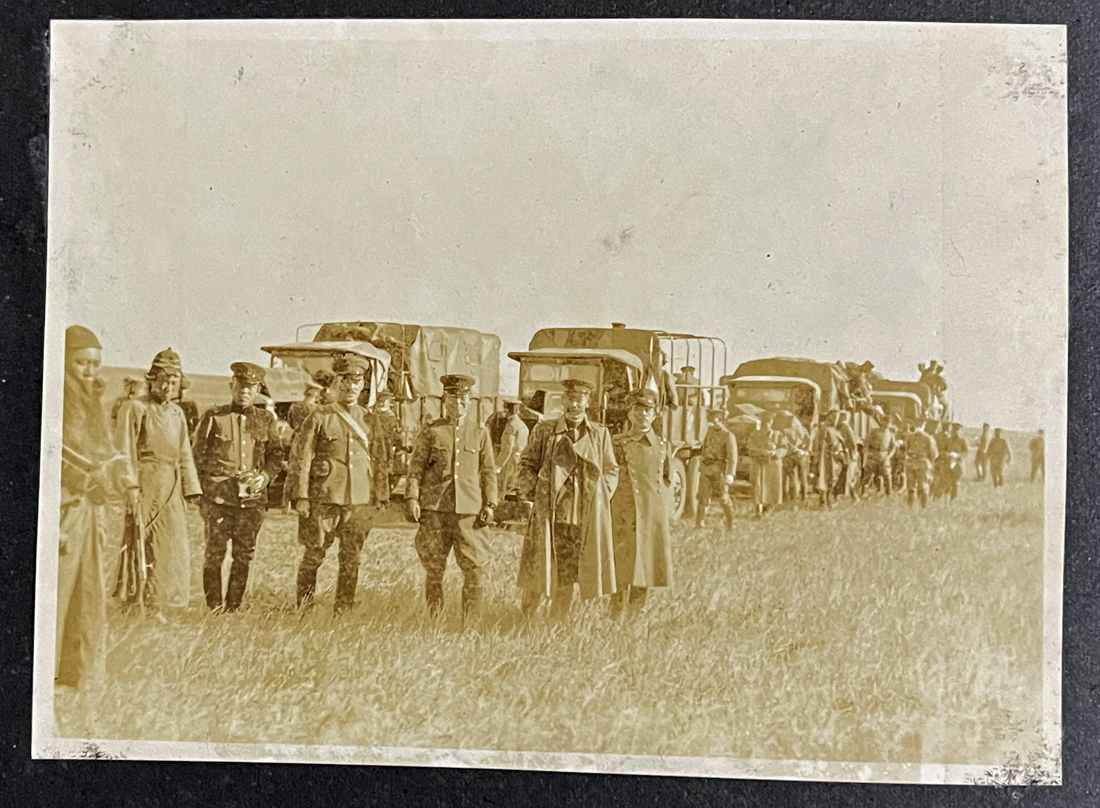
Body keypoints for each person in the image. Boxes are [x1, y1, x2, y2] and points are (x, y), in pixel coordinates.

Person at [57, 326, 139, 689]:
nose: (89, 370)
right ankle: (45, 671)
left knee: (88, 590)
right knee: (57, 588)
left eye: (95, 363)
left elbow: (103, 448)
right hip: (61, 505)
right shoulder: (53, 395)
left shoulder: (91, 397)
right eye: (81, 362)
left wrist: (123, 480)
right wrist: (80, 480)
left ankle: (80, 675)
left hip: (89, 507)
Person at [286, 353, 381, 614]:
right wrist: (302, 496)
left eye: (356, 381)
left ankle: (343, 610)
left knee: (351, 559)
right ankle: (303, 610)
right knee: (314, 555)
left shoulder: (369, 420)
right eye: (345, 380)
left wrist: (378, 497)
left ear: (363, 385)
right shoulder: (319, 417)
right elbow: (301, 458)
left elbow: (380, 460)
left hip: (357, 500)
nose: (350, 387)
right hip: (324, 497)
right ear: (336, 383)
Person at [516, 378, 619, 618]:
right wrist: (534, 493)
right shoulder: (545, 430)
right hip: (550, 514)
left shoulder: (599, 434)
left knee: (568, 574)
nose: (574, 404)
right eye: (569, 398)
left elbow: (611, 470)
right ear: (563, 400)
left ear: (588, 401)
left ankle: (556, 623)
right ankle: (526, 619)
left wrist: (600, 496)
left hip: (581, 517)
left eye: (579, 398)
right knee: (539, 570)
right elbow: (526, 464)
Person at [115, 348, 201, 616]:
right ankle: (138, 602)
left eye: (173, 382)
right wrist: (130, 486)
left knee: (171, 543)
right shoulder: (135, 408)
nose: (167, 386)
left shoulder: (177, 414)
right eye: (162, 380)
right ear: (151, 380)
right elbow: (124, 450)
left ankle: (165, 603)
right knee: (143, 540)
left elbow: (184, 452)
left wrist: (192, 488)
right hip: (145, 483)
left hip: (171, 486)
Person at [192, 363, 284, 613]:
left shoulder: (265, 419)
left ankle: (233, 607)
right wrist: (203, 497)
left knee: (244, 556)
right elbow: (197, 457)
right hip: (219, 500)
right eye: (240, 385)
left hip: (251, 502)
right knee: (214, 555)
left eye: (250, 387)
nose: (244, 391)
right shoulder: (214, 416)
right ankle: (214, 608)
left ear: (257, 390)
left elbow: (276, 457)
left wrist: (264, 478)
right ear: (231, 385)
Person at [405, 375, 497, 621]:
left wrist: (490, 504)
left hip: (469, 511)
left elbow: (488, 471)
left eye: (464, 397)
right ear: (445, 399)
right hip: (435, 509)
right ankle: (435, 619)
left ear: (471, 400)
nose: (459, 403)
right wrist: (412, 498)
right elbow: (416, 468)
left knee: (474, 568)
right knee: (434, 567)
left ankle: (470, 623)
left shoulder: (480, 433)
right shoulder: (432, 432)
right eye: (453, 397)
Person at [609, 389, 673, 618]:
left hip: (650, 514)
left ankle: (637, 615)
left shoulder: (663, 446)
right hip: (623, 512)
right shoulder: (616, 443)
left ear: (655, 415)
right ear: (629, 414)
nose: (642, 415)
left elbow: (666, 479)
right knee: (621, 564)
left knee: (646, 564)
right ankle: (615, 613)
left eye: (647, 410)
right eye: (637, 409)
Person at [695, 408, 736, 530]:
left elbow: (732, 456)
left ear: (719, 418)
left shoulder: (728, 435)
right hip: (706, 468)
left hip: (719, 470)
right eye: (709, 416)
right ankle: (699, 524)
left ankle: (730, 524)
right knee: (703, 497)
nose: (709, 419)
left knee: (723, 498)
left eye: (712, 417)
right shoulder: (709, 432)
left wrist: (730, 474)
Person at [746, 411, 786, 517]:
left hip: (772, 464)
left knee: (771, 486)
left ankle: (768, 508)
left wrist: (775, 453)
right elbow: (749, 447)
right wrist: (757, 451)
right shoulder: (755, 434)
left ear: (771, 422)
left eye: (768, 421)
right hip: (758, 463)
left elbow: (784, 448)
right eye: (764, 422)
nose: (766, 424)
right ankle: (757, 510)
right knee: (758, 486)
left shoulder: (778, 434)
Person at [370, 390, 404, 505]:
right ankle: (380, 497)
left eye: (385, 400)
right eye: (381, 400)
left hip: (387, 445)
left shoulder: (391, 417)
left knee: (385, 470)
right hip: (378, 444)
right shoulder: (377, 416)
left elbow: (394, 434)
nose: (382, 403)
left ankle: (383, 497)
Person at [495, 398, 529, 499]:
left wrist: (498, 466)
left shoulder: (511, 425)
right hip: (519, 461)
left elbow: (507, 449)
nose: (504, 411)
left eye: (506, 408)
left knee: (503, 491)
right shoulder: (522, 425)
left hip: (510, 461)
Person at [813, 410, 845, 509]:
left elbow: (841, 444)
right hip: (825, 458)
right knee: (824, 478)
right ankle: (823, 502)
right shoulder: (824, 430)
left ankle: (829, 500)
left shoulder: (836, 431)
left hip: (834, 458)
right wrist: (819, 456)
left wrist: (840, 452)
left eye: (837, 418)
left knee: (832, 479)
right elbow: (820, 444)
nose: (835, 420)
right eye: (834, 417)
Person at [861, 411, 897, 496]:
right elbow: (867, 442)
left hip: (884, 455)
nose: (887, 424)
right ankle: (864, 492)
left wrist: (889, 456)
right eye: (885, 422)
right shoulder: (874, 432)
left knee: (887, 474)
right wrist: (867, 453)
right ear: (882, 422)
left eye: (889, 423)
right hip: (873, 454)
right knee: (868, 473)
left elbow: (893, 447)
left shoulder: (890, 434)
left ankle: (889, 492)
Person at [905, 419, 940, 507]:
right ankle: (923, 506)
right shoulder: (929, 438)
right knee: (924, 485)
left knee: (911, 486)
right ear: (924, 425)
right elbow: (934, 454)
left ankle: (910, 506)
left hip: (911, 462)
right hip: (923, 463)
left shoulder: (910, 436)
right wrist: (929, 462)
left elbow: (906, 449)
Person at [836, 410, 862, 501]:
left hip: (850, 455)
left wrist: (852, 454)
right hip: (847, 454)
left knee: (848, 477)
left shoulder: (845, 427)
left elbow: (852, 442)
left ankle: (855, 497)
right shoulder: (841, 427)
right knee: (843, 476)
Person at [943, 423, 969, 500]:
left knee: (955, 483)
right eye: (954, 430)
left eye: (958, 430)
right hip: (948, 463)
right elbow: (944, 449)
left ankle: (953, 499)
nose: (956, 432)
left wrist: (958, 455)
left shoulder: (963, 441)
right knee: (947, 482)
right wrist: (946, 454)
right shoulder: (948, 440)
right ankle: (945, 499)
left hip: (958, 464)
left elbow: (966, 452)